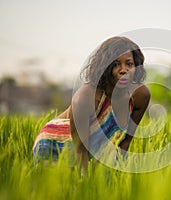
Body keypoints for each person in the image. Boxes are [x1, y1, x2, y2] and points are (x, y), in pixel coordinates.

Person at [32, 36, 151, 174]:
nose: (123, 70)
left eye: (129, 64)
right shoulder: (86, 98)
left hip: (93, 147)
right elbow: (81, 150)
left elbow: (125, 142)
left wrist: (119, 175)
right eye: (116, 64)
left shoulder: (140, 95)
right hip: (55, 143)